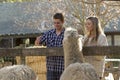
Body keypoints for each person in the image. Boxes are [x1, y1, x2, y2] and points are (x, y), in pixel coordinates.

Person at [35, 13, 65, 80]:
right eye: (54, 23)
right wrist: (37, 41)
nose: (56, 25)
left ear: (63, 22)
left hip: (63, 67)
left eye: (58, 23)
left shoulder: (67, 34)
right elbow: (38, 43)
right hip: (51, 68)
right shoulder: (48, 33)